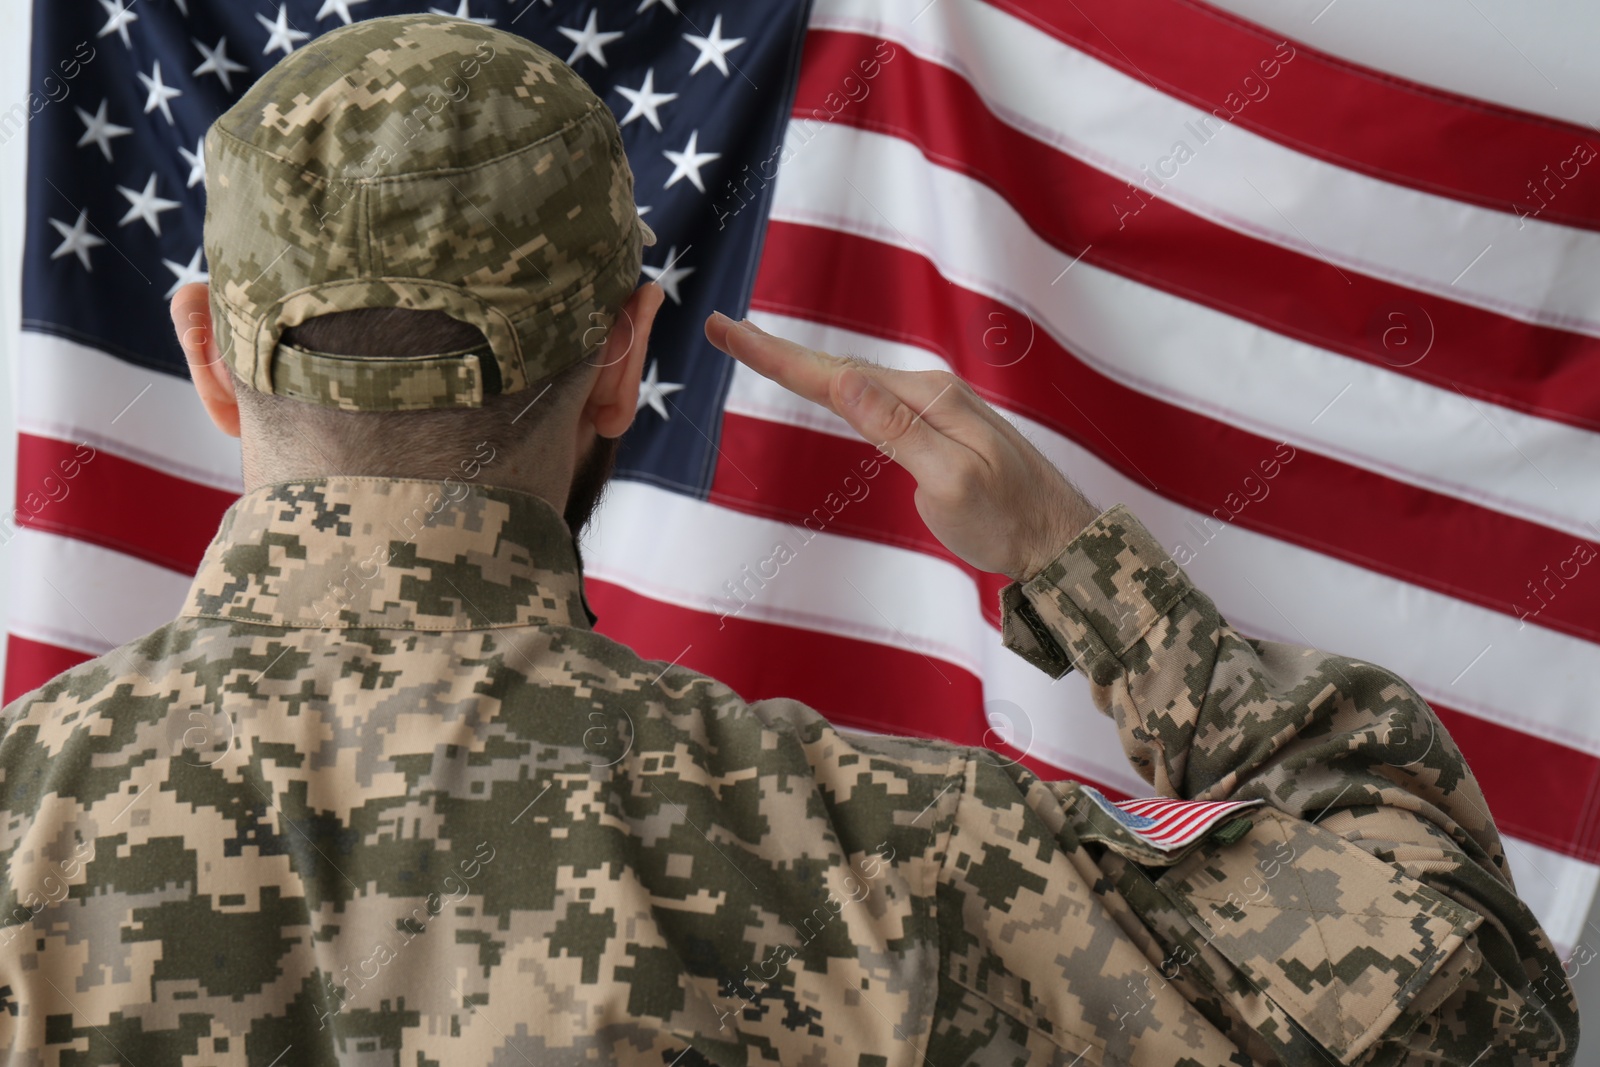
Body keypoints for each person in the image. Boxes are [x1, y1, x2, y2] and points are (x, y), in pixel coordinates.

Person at [0, 13, 1577, 1066]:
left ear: (208, 350)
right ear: (627, 357)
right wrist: (1076, 567)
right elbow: (1464, 1002)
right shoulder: (881, 855)